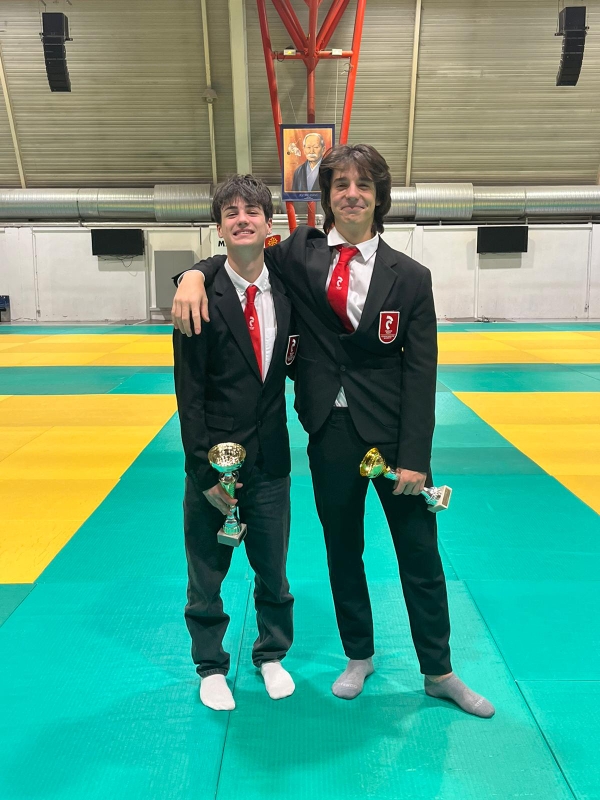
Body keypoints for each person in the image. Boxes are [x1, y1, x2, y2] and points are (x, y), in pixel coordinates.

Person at [172, 145, 494, 718]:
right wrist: (192, 274)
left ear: (379, 196)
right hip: (330, 430)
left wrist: (417, 455)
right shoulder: (300, 254)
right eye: (340, 184)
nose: (351, 194)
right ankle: (358, 655)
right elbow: (238, 251)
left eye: (363, 184)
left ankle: (439, 671)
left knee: (420, 553)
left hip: (394, 436)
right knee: (343, 551)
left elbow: (422, 372)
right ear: (326, 197)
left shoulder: (411, 277)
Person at [173, 174, 297, 711]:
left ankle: (272, 654)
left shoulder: (289, 288)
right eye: (231, 213)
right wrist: (203, 472)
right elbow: (189, 393)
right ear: (219, 228)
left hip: (271, 457)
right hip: (214, 460)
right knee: (207, 571)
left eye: (252, 211)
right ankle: (210, 665)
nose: (242, 219)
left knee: (274, 568)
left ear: (269, 224)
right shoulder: (198, 298)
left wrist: (192, 271)